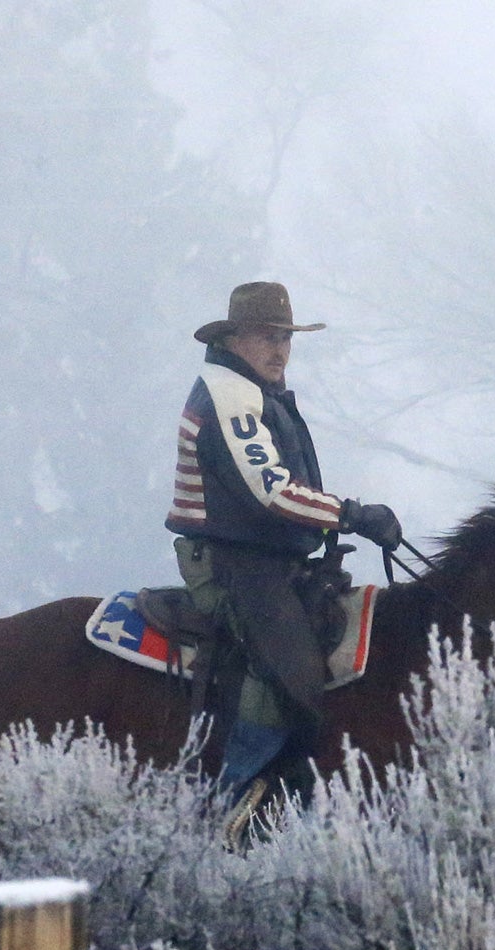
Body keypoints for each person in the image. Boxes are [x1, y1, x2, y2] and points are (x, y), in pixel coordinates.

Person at [166, 281, 402, 820]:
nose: (279, 350)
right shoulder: (229, 397)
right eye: (266, 337)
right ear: (235, 340)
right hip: (232, 565)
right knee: (292, 675)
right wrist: (354, 515)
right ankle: (223, 805)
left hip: (268, 560)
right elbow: (270, 492)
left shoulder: (253, 392)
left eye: (286, 339)